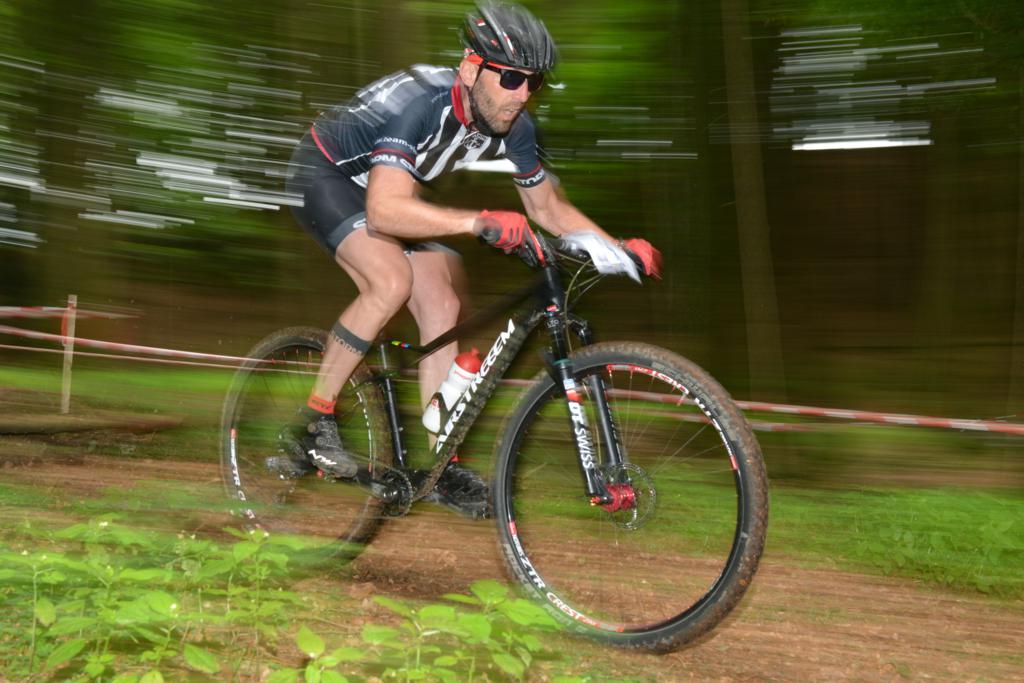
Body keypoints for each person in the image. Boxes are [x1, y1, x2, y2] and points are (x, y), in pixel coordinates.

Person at [277, 1, 661, 518]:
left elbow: (547, 208)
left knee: (442, 299)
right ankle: (312, 423)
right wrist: (478, 221)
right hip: (326, 175)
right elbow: (385, 211)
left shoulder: (516, 127)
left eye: (533, 82)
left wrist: (614, 248)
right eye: (511, 78)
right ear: (470, 68)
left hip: (387, 190)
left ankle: (441, 465)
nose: (522, 94)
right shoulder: (423, 104)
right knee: (390, 280)